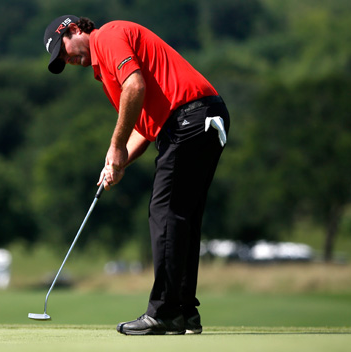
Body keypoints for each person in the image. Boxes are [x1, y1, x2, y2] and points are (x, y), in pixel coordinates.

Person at [43, 15, 230, 335]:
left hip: (189, 116)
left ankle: (164, 312)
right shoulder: (103, 72)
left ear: (74, 30)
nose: (69, 60)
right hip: (202, 118)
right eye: (62, 61)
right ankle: (184, 312)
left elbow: (135, 85)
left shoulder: (108, 37)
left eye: (65, 51)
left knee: (165, 213)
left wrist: (115, 147)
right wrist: (116, 163)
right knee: (182, 217)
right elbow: (144, 131)